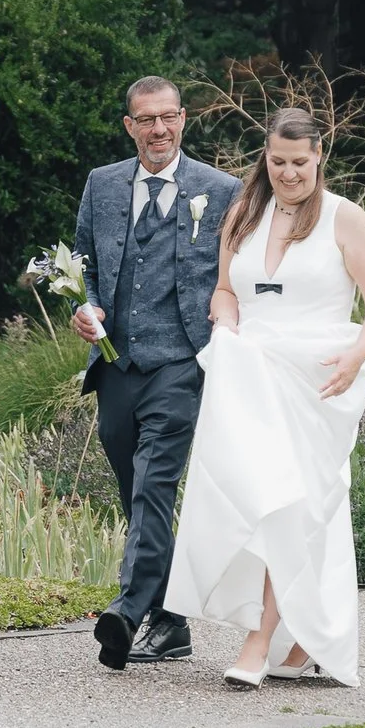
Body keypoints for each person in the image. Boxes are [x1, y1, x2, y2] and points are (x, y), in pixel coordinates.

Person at [166, 102, 365, 688]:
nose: (288, 173)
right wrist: (226, 327)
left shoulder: (347, 219)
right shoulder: (243, 212)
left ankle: (261, 640)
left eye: (299, 161)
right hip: (249, 377)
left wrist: (356, 355)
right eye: (277, 161)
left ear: (319, 158)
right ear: (263, 158)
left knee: (295, 506)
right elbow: (224, 291)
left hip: (318, 378)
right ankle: (298, 640)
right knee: (257, 498)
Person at [70, 77, 242, 671]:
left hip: (182, 363)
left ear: (184, 120)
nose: (158, 130)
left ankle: (126, 610)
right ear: (129, 126)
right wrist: (85, 307)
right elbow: (85, 267)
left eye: (168, 117)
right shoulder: (102, 185)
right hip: (118, 365)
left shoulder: (221, 191)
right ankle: (170, 624)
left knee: (153, 483)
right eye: (146, 120)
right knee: (132, 488)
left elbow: (236, 277)